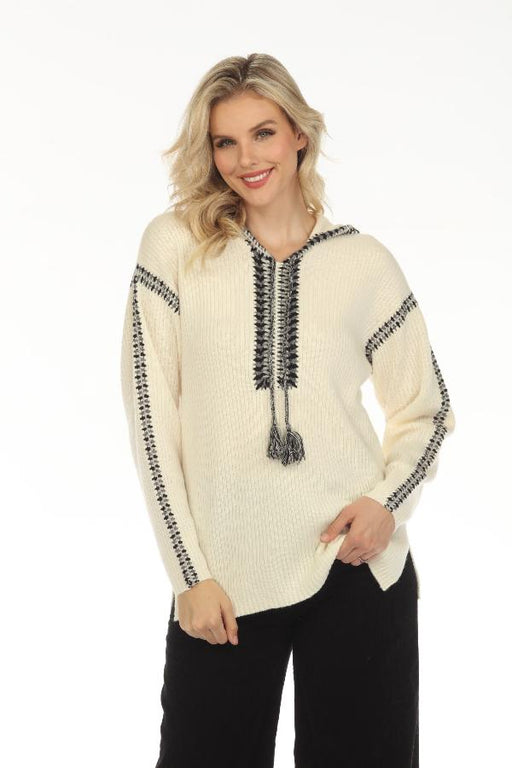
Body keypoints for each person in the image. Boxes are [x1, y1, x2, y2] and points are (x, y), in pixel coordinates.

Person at [120, 52, 455, 768]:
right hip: (224, 582)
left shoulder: (363, 262)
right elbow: (153, 424)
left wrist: (387, 504)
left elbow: (426, 409)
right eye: (225, 141)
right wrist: (189, 575)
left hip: (354, 566)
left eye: (264, 133)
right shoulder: (175, 248)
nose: (246, 159)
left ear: (300, 134)